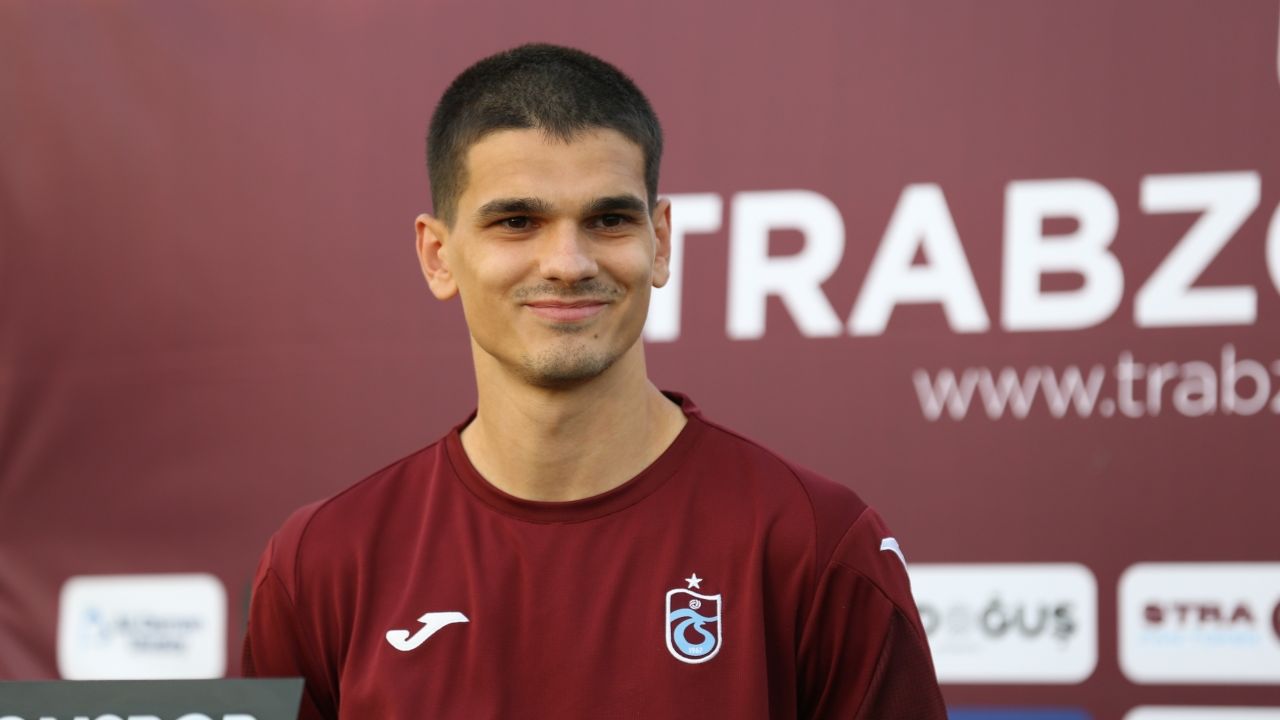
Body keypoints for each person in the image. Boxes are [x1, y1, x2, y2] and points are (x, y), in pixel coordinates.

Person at [242, 43, 947, 719]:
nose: (569, 262)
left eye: (609, 219)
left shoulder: (817, 542)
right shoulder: (318, 564)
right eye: (517, 221)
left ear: (660, 242)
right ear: (437, 255)